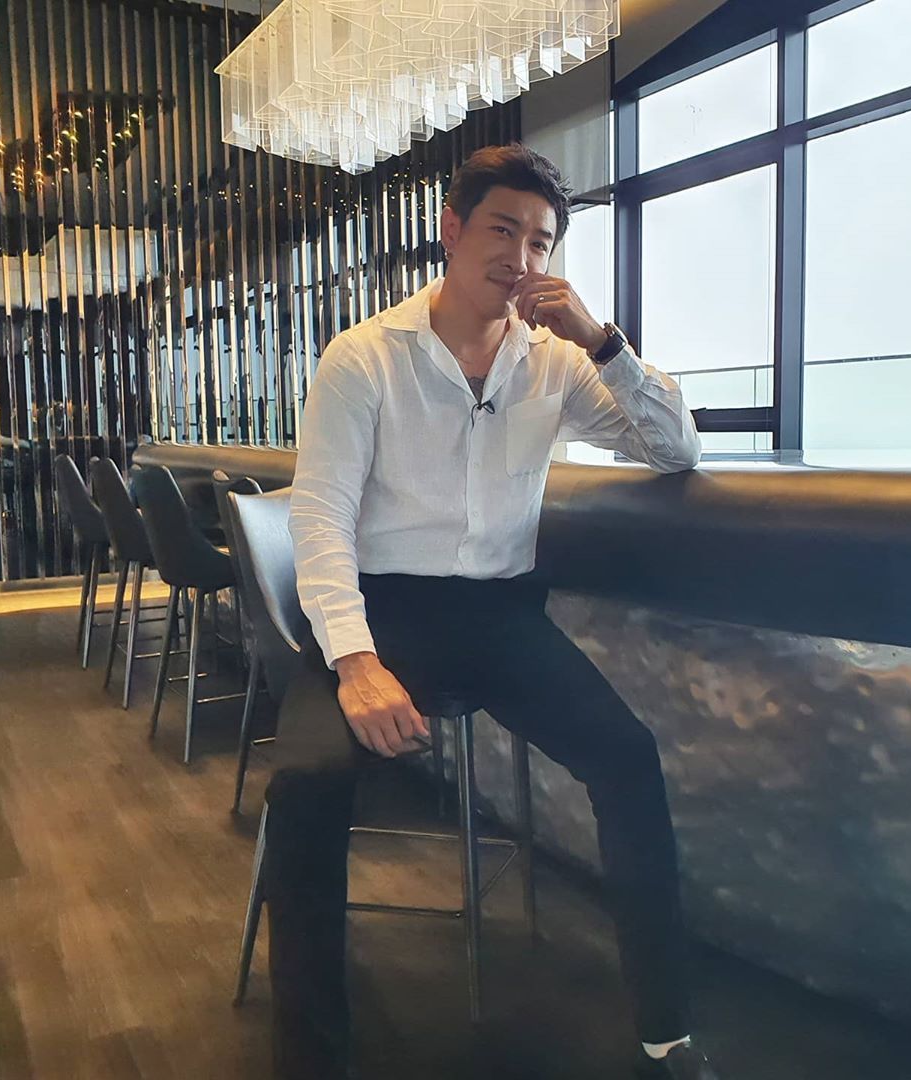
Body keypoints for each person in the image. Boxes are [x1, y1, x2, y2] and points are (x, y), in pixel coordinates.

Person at [267, 142, 717, 1080]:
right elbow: (321, 516)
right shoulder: (365, 356)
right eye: (503, 230)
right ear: (453, 230)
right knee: (305, 783)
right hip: (382, 617)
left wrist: (604, 341)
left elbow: (676, 450)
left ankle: (667, 1033)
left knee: (628, 758)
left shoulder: (555, 363)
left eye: (540, 241)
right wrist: (355, 662)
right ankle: (312, 1056)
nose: (520, 257)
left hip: (503, 619)